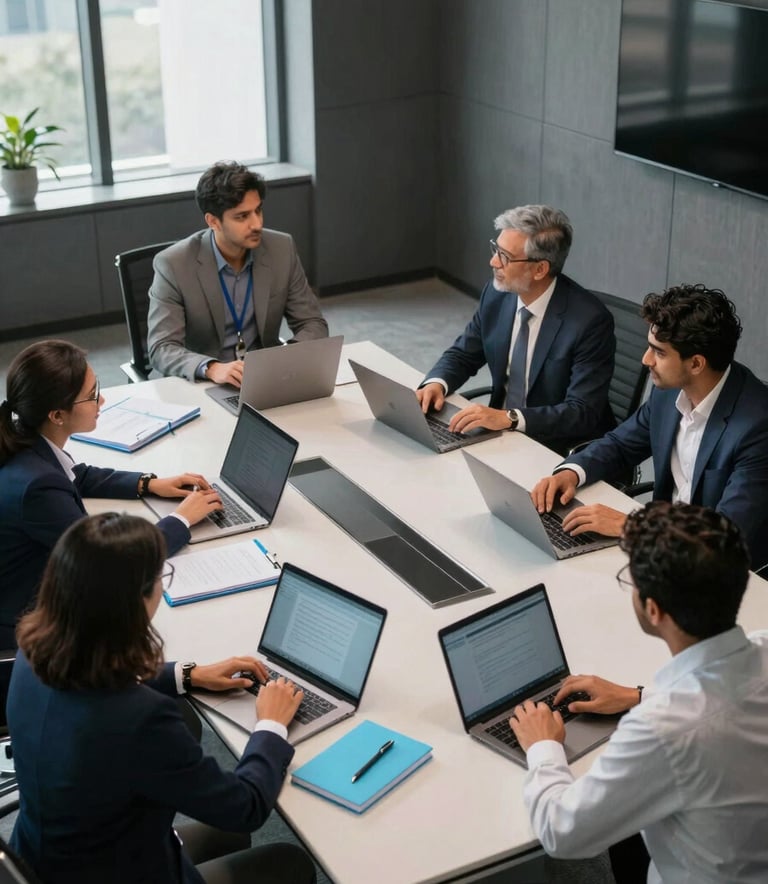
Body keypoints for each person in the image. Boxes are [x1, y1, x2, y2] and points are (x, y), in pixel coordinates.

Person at [7, 512, 316, 884]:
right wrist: (271, 725)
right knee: (287, 861)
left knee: (227, 836)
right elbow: (246, 807)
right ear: (135, 600)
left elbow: (94, 686)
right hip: (117, 871)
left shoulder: (33, 652)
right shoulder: (140, 720)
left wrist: (187, 675)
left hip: (47, 857)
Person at [508, 501, 768, 884]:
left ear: (653, 609)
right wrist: (637, 696)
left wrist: (542, 747)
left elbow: (561, 832)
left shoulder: (661, 731)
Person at [0, 339, 223, 648]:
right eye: (91, 395)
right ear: (57, 415)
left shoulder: (26, 443)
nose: (102, 400)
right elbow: (108, 565)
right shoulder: (37, 488)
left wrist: (148, 483)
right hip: (26, 633)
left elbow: (76, 475)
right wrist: (181, 520)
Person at [531, 283, 768, 571]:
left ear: (696, 363)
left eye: (659, 352)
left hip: (711, 571)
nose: (646, 360)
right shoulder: (670, 390)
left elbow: (728, 535)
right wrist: (571, 472)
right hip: (658, 550)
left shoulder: (757, 427)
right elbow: (621, 444)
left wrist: (632, 526)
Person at [416, 205, 616, 454]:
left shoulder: (590, 322)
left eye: (505, 256)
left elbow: (581, 411)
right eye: (495, 249)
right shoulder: (498, 294)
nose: (493, 261)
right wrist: (437, 383)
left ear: (540, 269)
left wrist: (510, 418)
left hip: (557, 446)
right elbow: (464, 353)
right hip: (496, 435)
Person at [147, 160, 328, 385]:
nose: (256, 224)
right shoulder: (173, 264)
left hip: (264, 380)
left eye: (258, 211)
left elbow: (312, 323)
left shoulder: (281, 249)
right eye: (242, 216)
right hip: (204, 384)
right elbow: (161, 348)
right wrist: (211, 368)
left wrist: (284, 360)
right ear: (213, 221)